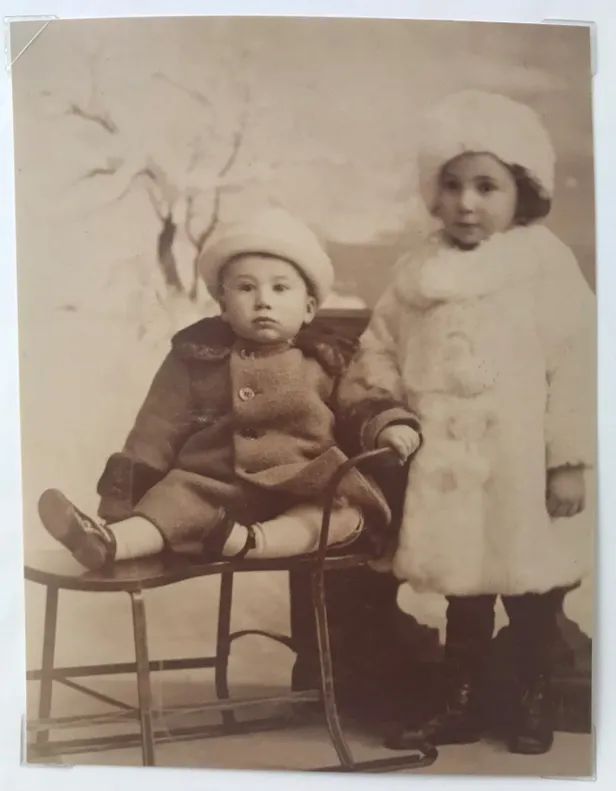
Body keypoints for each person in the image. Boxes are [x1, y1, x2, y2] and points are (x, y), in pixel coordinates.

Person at [338, 90, 596, 755]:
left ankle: (530, 695)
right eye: (451, 185)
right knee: (465, 592)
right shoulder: (417, 271)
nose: (466, 203)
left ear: (522, 189)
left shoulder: (543, 265)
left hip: (520, 463)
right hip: (446, 466)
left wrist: (568, 459)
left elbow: (579, 364)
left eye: (487, 186)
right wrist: (388, 413)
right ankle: (462, 699)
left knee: (532, 590)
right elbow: (379, 349)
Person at [37, 207, 421, 571]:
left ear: (308, 308)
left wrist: (388, 426)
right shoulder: (198, 356)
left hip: (303, 479)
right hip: (214, 483)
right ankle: (109, 543)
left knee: (340, 512)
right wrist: (124, 499)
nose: (263, 301)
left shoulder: (326, 359)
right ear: (223, 304)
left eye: (280, 288)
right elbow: (156, 427)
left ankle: (253, 542)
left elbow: (361, 400)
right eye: (246, 288)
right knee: (172, 503)